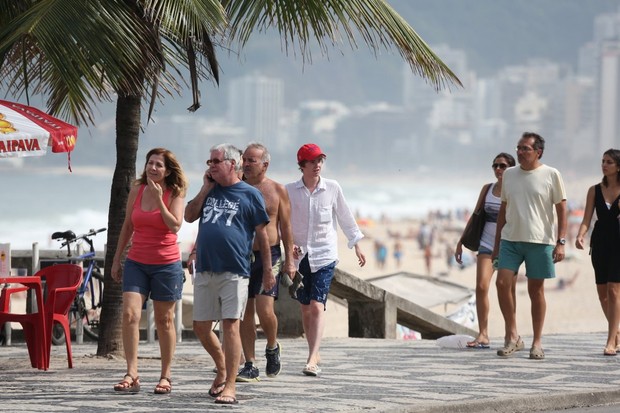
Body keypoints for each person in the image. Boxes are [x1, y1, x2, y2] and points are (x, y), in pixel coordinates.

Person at [188, 143, 274, 405]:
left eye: (215, 161)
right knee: (201, 327)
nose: (210, 166)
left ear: (232, 164)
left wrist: (269, 270)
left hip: (235, 270)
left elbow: (262, 235)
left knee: (230, 326)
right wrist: (204, 188)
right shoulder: (210, 191)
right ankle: (223, 369)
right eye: (209, 161)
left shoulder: (250, 194)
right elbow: (189, 216)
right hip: (205, 267)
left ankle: (231, 387)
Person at [111, 147, 188, 394]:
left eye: (158, 165)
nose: (153, 168)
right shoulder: (137, 189)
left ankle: (166, 375)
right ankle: (131, 372)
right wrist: (116, 259)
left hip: (166, 264)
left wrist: (158, 201)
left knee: (165, 320)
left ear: (167, 171)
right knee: (130, 315)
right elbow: (127, 226)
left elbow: (175, 226)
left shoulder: (175, 192)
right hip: (137, 262)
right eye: (150, 163)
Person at [285, 143, 366, 376]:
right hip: (300, 257)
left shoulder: (332, 187)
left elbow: (345, 217)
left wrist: (356, 245)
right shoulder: (289, 190)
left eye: (320, 160)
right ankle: (314, 350)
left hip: (325, 255)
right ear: (302, 165)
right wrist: (289, 247)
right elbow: (283, 223)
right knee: (304, 308)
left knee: (317, 306)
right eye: (312, 161)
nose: (317, 165)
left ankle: (312, 358)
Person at [492, 132, 567, 360]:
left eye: (525, 148)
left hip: (539, 241)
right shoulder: (510, 175)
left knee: (536, 291)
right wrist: (496, 244)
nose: (520, 152)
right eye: (518, 148)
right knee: (502, 283)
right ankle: (513, 335)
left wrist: (560, 242)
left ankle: (537, 342)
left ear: (538, 152)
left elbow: (562, 210)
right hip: (510, 240)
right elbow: (503, 211)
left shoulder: (551, 174)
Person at [235, 142, 296, 382]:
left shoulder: (278, 190)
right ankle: (249, 363)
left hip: (270, 255)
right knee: (244, 312)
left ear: (265, 164)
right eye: (245, 159)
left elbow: (287, 227)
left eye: (252, 160)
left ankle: (272, 346)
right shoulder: (236, 187)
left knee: (264, 308)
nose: (246, 164)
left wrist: (290, 260)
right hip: (241, 255)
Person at [455, 152, 516, 349]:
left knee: (508, 290)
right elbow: (475, 216)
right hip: (487, 243)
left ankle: (511, 333)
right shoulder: (487, 189)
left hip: (509, 244)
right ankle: (483, 334)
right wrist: (461, 241)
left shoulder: (516, 190)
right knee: (481, 287)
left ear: (511, 168)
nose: (498, 169)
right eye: (495, 165)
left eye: (503, 166)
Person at [575, 149, 620, 356]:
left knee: (613, 290)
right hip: (600, 243)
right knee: (602, 294)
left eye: (609, 162)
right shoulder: (594, 190)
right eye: (603, 161)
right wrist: (580, 235)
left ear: (618, 166)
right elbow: (586, 219)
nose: (604, 165)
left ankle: (611, 340)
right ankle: (617, 330)